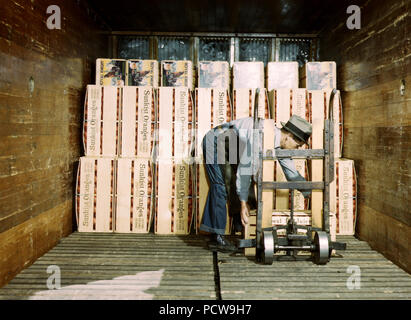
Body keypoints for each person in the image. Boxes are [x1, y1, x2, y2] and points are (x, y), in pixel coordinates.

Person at [199, 115, 312, 252]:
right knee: (221, 185)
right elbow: (245, 171)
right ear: (289, 136)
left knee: (237, 184)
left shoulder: (280, 145)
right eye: (298, 145)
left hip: (233, 147)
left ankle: (242, 230)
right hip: (216, 141)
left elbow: (292, 174)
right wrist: (242, 203)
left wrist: (311, 193)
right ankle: (216, 237)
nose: (298, 148)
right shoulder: (261, 137)